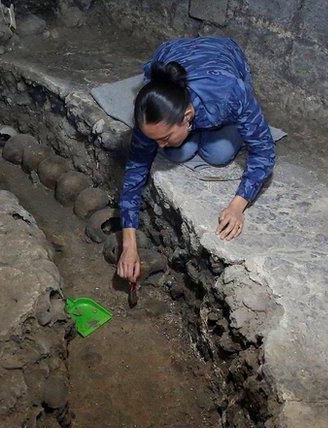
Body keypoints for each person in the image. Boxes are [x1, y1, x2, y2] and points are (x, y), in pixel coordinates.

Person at [116, 37, 276, 283]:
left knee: (219, 153)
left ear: (187, 116)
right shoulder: (152, 107)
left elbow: (263, 151)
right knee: (177, 151)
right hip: (174, 53)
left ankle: (204, 132)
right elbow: (135, 170)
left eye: (165, 136)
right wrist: (129, 244)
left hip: (223, 56)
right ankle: (187, 137)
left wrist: (238, 205)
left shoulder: (229, 92)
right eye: (155, 138)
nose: (156, 145)